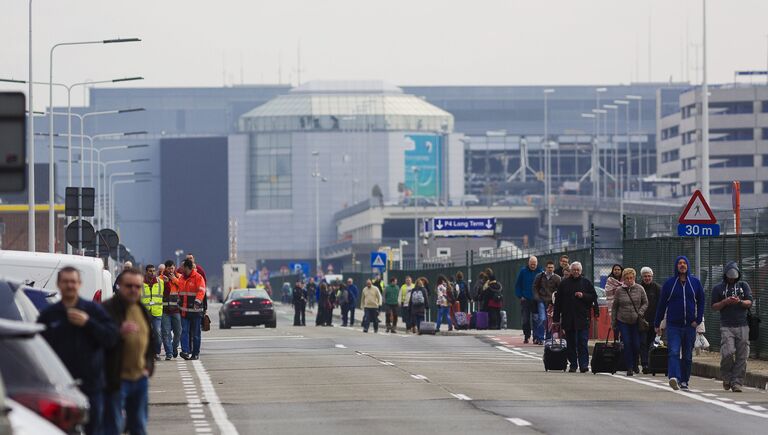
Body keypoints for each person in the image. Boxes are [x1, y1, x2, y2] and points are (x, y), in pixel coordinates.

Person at [38, 266, 118, 435]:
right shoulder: (49, 314)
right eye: (65, 282)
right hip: (60, 388)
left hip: (91, 386)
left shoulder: (93, 310)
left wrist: (89, 323)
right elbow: (39, 348)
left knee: (93, 430)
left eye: (73, 281)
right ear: (59, 284)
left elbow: (111, 338)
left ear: (79, 284)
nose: (69, 285)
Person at [103, 268, 156, 435]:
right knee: (113, 427)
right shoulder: (107, 310)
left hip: (140, 379)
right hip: (117, 380)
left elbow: (150, 342)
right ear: (119, 286)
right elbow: (98, 339)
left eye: (137, 286)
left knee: (139, 426)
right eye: (129, 286)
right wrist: (118, 332)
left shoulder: (142, 310)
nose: (134, 290)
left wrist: (148, 367)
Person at [654, 256, 705, 391]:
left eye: (684, 263)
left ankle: (684, 380)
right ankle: (674, 377)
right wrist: (657, 323)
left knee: (687, 355)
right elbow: (662, 305)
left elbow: (701, 302)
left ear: (688, 265)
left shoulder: (695, 283)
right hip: (674, 325)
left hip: (689, 325)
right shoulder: (669, 284)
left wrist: (698, 320)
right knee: (674, 352)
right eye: (679, 263)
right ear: (676, 266)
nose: (682, 265)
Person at [711, 261, 753, 393]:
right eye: (730, 276)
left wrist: (739, 301)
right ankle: (727, 377)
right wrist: (725, 302)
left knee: (742, 356)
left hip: (743, 325)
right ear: (725, 275)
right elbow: (713, 306)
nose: (732, 278)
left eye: (734, 276)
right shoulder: (718, 288)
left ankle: (737, 382)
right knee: (727, 353)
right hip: (726, 325)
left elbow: (749, 302)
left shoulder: (743, 285)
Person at [553, 261, 596, 373]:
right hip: (568, 318)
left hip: (583, 318)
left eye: (578, 270)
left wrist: (583, 295)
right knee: (571, 343)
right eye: (574, 270)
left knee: (582, 342)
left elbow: (593, 297)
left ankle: (584, 365)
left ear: (581, 271)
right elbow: (558, 302)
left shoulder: (586, 283)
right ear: (570, 271)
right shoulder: (564, 283)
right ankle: (573, 364)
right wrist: (556, 319)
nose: (576, 271)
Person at [611, 268, 648, 377]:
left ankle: (636, 363)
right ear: (623, 279)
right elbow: (614, 307)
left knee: (636, 345)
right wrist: (613, 322)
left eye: (631, 278)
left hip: (636, 321)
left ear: (634, 278)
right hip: (623, 320)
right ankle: (630, 367)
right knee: (627, 343)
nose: (629, 280)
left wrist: (640, 312)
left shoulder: (640, 289)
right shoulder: (619, 291)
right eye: (627, 278)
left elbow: (645, 302)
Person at [178, 259, 206, 360]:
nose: (181, 269)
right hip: (184, 311)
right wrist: (178, 302)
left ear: (187, 267)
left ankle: (195, 353)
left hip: (195, 311)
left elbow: (201, 291)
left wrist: (197, 302)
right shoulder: (181, 278)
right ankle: (185, 351)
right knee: (184, 331)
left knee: (195, 334)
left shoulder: (198, 277)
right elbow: (179, 292)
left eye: (182, 267)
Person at [515, 256, 543, 344]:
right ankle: (527, 335)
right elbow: (518, 285)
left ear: (537, 264)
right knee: (525, 319)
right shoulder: (523, 271)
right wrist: (520, 296)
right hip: (525, 299)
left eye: (534, 264)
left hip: (536, 300)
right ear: (528, 263)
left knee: (536, 319)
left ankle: (536, 337)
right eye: (531, 264)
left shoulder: (540, 272)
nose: (533, 266)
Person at [159, 260, 182, 360]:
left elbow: (182, 286)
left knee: (178, 332)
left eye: (172, 268)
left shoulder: (179, 277)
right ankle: (169, 353)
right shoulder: (160, 278)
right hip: (164, 310)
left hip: (176, 310)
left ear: (174, 268)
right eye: (168, 268)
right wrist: (165, 283)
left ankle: (174, 347)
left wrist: (174, 280)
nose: (171, 270)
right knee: (166, 332)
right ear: (165, 269)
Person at [639, 267, 660, 373]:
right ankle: (644, 363)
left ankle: (652, 363)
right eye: (645, 276)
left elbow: (661, 304)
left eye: (649, 276)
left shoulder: (657, 288)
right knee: (643, 342)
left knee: (652, 343)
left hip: (654, 320)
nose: (647, 278)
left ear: (652, 276)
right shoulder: (638, 287)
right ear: (642, 277)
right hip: (642, 321)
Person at [533, 260, 561, 340]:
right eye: (548, 267)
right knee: (542, 319)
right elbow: (535, 287)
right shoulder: (540, 276)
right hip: (541, 300)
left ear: (554, 268)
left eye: (552, 267)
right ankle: (540, 337)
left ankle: (548, 338)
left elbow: (560, 290)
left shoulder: (557, 278)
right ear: (546, 268)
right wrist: (537, 297)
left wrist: (556, 300)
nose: (550, 269)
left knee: (550, 321)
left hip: (551, 302)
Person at [142, 264, 164, 360]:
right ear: (146, 272)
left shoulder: (160, 282)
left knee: (157, 333)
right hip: (144, 313)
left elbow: (166, 293)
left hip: (156, 312)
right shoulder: (140, 283)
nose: (152, 273)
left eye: (153, 271)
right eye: (150, 271)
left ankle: (157, 352)